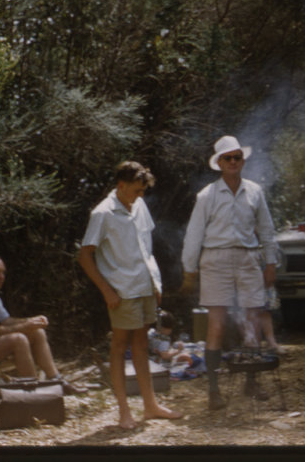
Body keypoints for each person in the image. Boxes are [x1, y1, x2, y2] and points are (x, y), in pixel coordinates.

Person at [78, 160, 183, 429]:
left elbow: (145, 249)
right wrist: (106, 290)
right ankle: (124, 411)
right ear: (120, 185)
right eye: (137, 190)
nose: (141, 195)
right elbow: (85, 255)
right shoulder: (103, 213)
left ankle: (150, 406)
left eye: (143, 191)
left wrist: (155, 283)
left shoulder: (139, 205)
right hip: (121, 290)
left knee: (140, 344)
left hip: (144, 286)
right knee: (118, 347)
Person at [180, 135, 278, 410]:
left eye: (237, 157)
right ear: (219, 163)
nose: (233, 162)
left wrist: (270, 263)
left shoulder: (255, 191)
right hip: (216, 259)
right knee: (217, 324)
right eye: (228, 158)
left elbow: (267, 230)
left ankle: (251, 381)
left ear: (242, 161)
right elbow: (194, 234)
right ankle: (213, 390)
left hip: (248, 257)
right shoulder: (207, 195)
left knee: (252, 321)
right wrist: (189, 270)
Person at [0, 253, 78, 393]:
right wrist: (24, 326)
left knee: (36, 332)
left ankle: (57, 380)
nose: (1, 277)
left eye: (3, 273)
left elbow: (5, 320)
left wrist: (30, 321)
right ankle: (33, 391)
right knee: (18, 340)